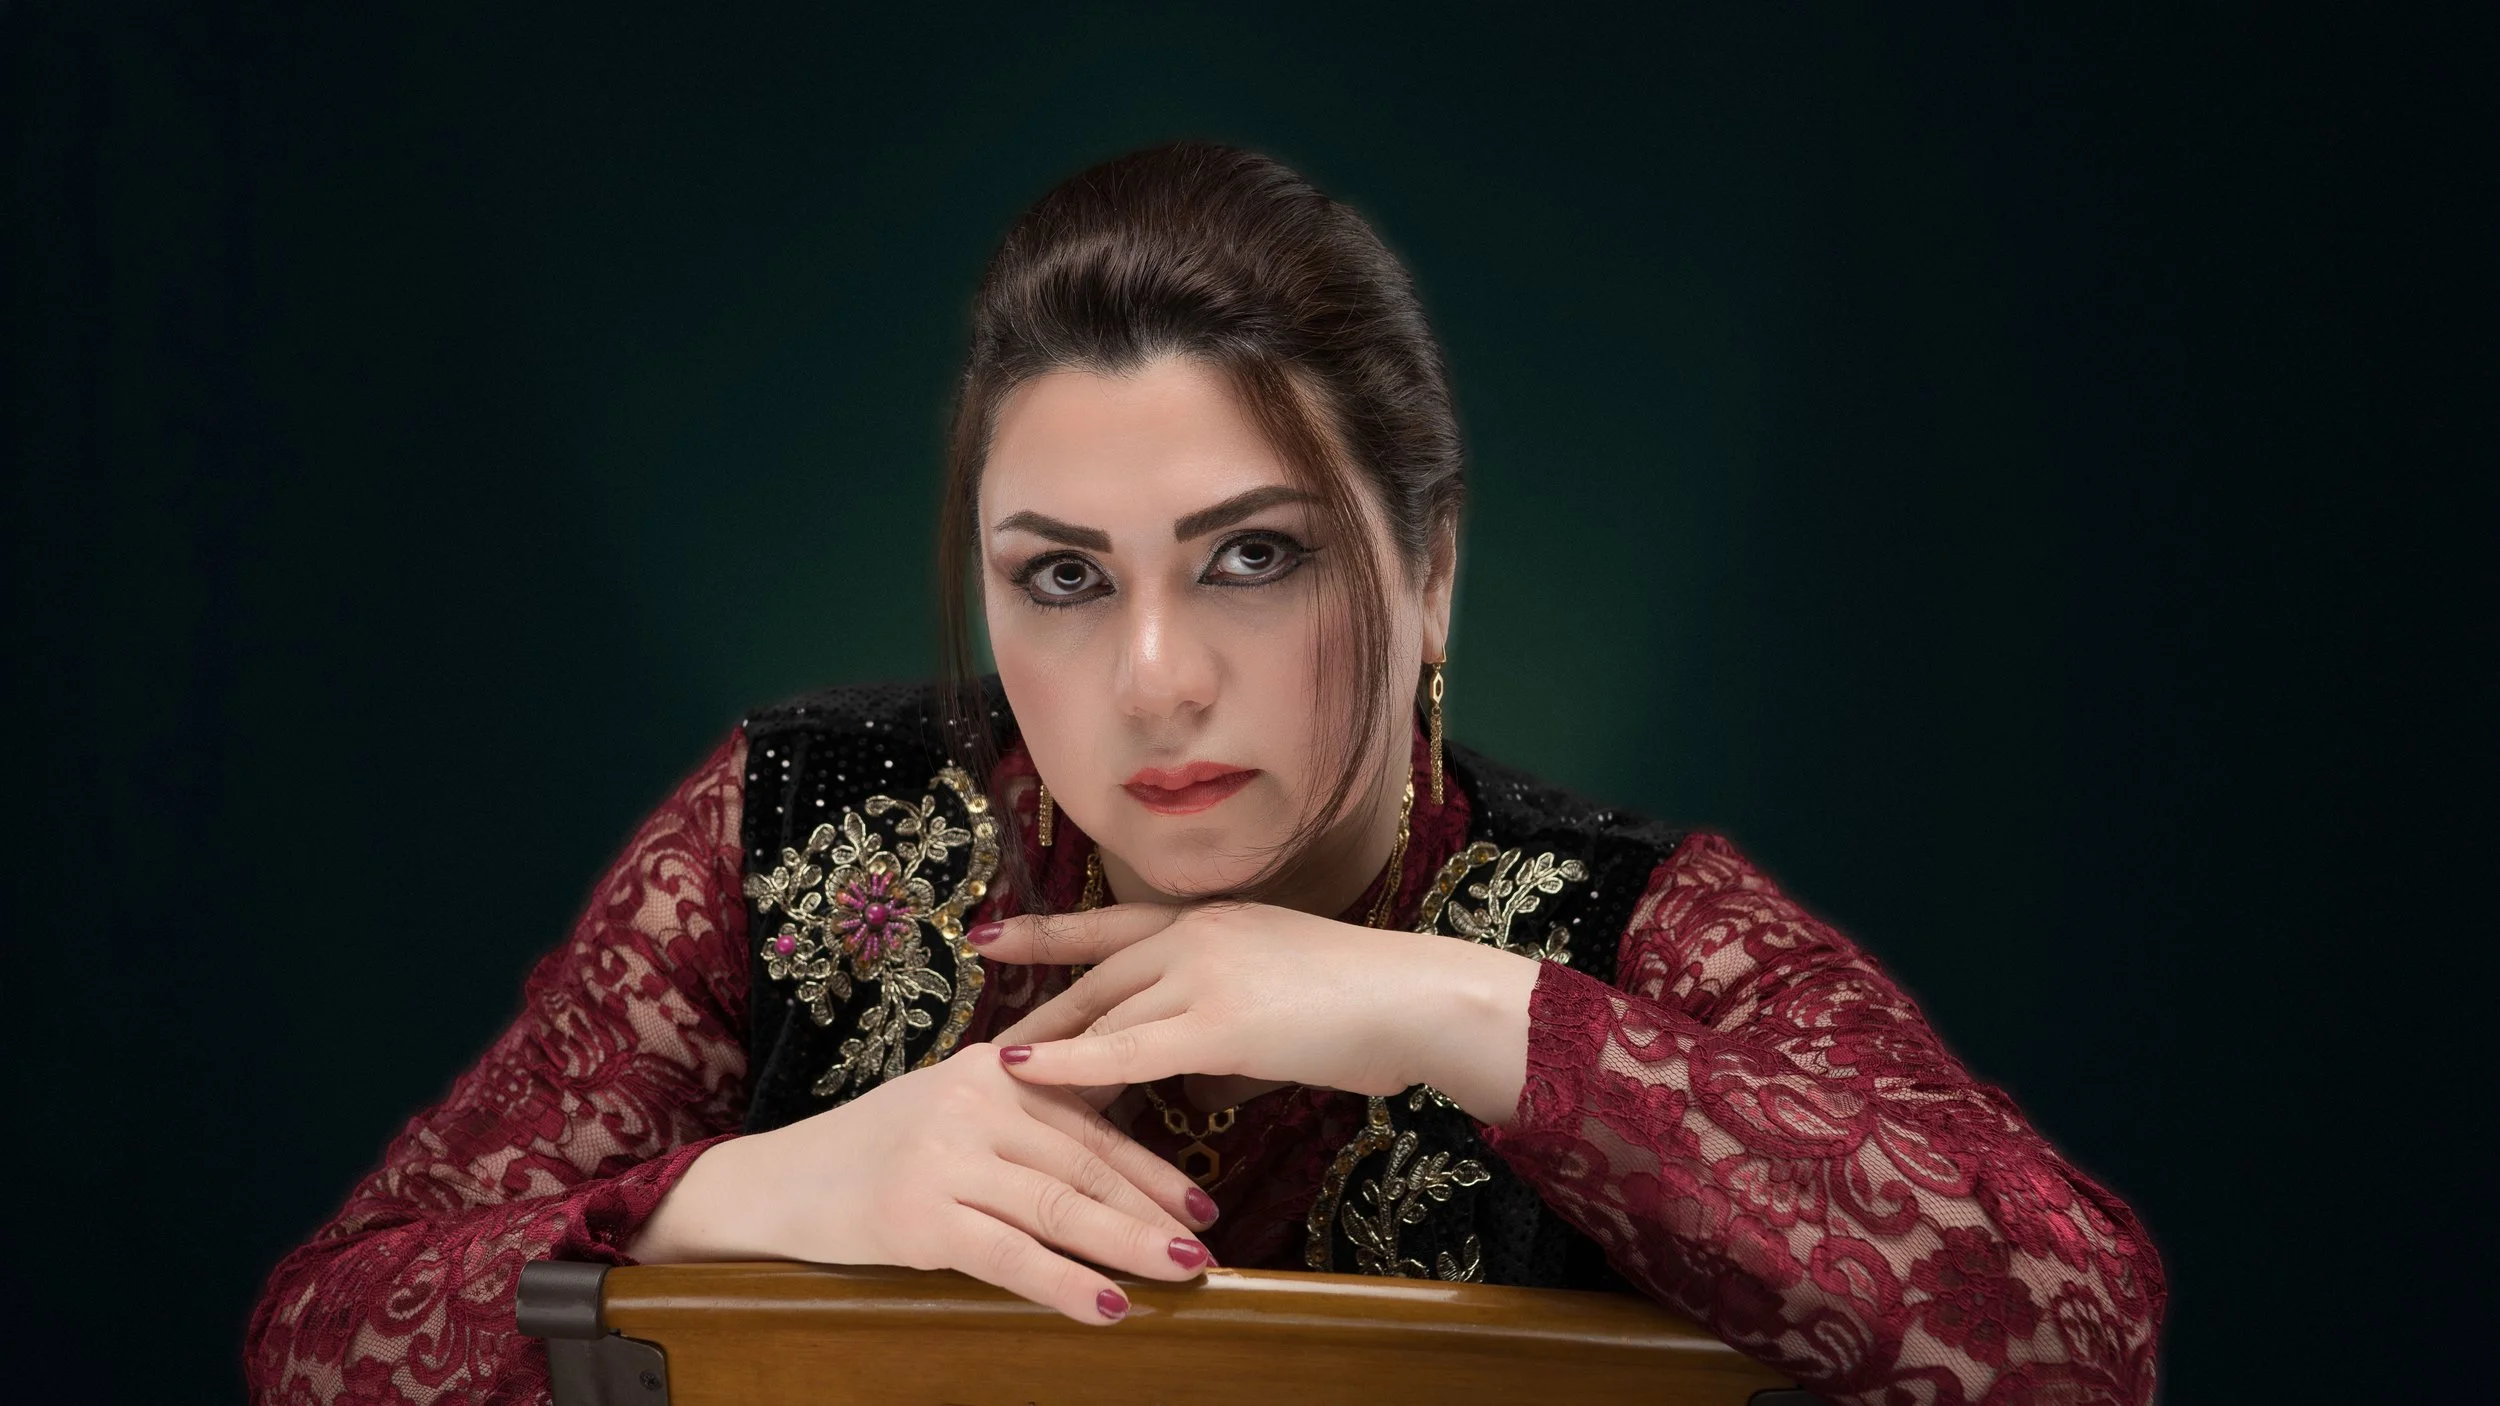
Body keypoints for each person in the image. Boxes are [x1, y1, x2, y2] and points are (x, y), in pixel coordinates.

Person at [246, 143, 2165, 1405]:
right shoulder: (796, 836)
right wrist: (743, 1198)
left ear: (1428, 574)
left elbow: (2077, 1332)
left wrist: (1453, 1007)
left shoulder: (1623, 928)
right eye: (1063, 578)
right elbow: (320, 1339)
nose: (1154, 678)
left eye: (1257, 554)